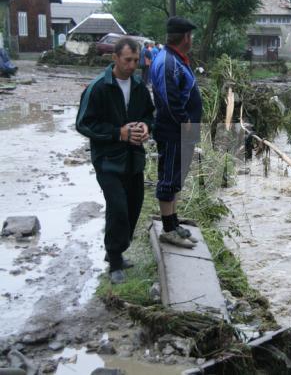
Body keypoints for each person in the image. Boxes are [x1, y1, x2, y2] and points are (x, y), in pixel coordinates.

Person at [76, 37, 154, 284]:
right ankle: (115, 258)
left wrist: (145, 127)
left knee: (134, 206)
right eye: (127, 60)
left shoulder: (140, 86)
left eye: (135, 60)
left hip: (134, 158)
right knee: (118, 207)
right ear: (115, 58)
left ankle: (118, 249)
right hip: (107, 159)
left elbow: (150, 116)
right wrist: (117, 132)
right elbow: (83, 123)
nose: (132, 65)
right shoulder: (99, 87)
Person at [150, 17, 202, 248]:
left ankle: (173, 222)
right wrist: (185, 122)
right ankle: (168, 229)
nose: (192, 40)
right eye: (191, 36)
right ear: (185, 37)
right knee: (169, 178)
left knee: (176, 178)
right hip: (174, 131)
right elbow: (169, 100)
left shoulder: (177, 60)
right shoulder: (168, 62)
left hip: (183, 131)